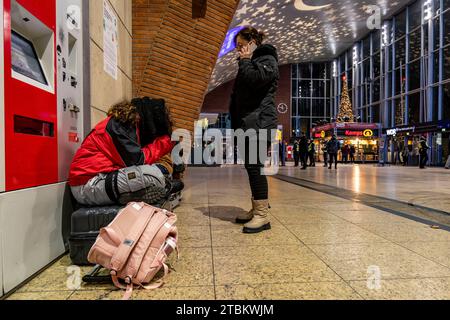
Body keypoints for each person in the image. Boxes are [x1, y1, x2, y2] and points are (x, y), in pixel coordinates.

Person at [69, 98, 175, 206]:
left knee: (155, 172)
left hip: (99, 180)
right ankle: (142, 192)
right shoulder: (119, 126)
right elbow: (138, 161)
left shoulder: (125, 125)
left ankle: (135, 194)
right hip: (87, 185)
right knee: (153, 174)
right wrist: (164, 144)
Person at [229, 26, 279, 234]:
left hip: (259, 123)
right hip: (249, 123)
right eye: (238, 47)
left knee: (255, 167)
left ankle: (262, 216)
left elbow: (255, 80)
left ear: (252, 42)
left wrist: (246, 60)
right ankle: (257, 207)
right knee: (251, 166)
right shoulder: (254, 61)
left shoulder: (267, 58)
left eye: (241, 45)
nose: (239, 50)